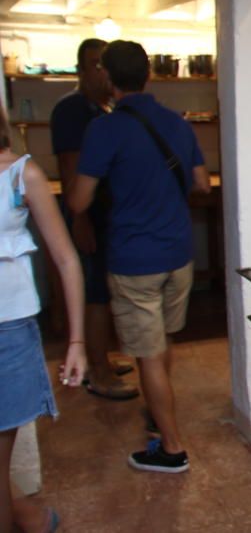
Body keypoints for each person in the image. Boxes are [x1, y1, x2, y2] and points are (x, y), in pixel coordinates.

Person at [68, 41, 210, 473]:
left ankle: (170, 448)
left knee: (147, 353)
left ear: (107, 78)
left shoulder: (105, 129)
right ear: (148, 75)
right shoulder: (177, 123)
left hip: (135, 259)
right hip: (178, 254)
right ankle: (157, 411)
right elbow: (202, 184)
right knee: (162, 341)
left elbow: (78, 201)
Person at [1, 104, 87, 532]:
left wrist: (76, 343)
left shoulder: (22, 173)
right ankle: (30, 518)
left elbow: (67, 259)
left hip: (8, 331)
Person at [50, 38, 138, 401]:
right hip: (88, 215)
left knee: (104, 289)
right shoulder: (72, 110)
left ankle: (102, 358)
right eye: (94, 64)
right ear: (81, 70)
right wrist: (80, 220)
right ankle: (97, 371)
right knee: (95, 295)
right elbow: (71, 171)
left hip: (107, 216)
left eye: (105, 64)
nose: (101, 71)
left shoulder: (105, 110)